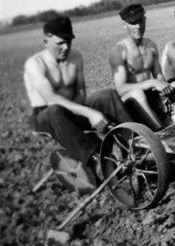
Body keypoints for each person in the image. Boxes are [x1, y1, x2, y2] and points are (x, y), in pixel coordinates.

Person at [23, 15, 132, 175]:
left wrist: (90, 115)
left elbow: (81, 92)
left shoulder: (76, 57)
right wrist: (90, 114)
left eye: (69, 41)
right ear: (46, 41)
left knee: (106, 94)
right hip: (45, 116)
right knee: (55, 110)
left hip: (73, 108)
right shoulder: (35, 64)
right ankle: (97, 159)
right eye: (60, 43)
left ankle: (133, 141)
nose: (66, 47)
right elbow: (51, 99)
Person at [109, 4, 175, 130]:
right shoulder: (119, 50)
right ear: (124, 24)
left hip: (151, 95)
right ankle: (162, 133)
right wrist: (151, 82)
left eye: (140, 21)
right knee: (138, 94)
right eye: (133, 23)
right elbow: (120, 88)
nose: (138, 26)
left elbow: (159, 75)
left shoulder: (150, 46)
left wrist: (166, 89)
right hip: (131, 100)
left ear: (145, 20)